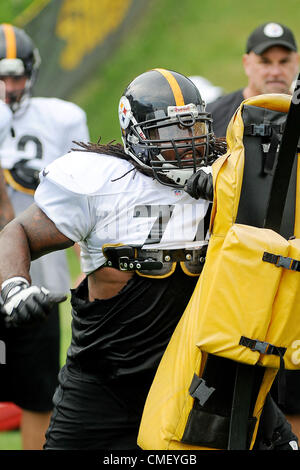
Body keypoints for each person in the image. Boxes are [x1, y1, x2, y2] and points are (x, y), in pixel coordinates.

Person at [0, 67, 297, 450]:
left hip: (201, 377)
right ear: (135, 132)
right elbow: (18, 232)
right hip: (108, 381)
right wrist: (13, 286)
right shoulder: (98, 182)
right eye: (170, 131)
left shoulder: (224, 180)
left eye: (192, 128)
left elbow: (285, 174)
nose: (187, 143)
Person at [0, 23, 89, 450]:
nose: (8, 86)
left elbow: (86, 196)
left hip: (39, 280)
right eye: (0, 75)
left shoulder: (62, 117)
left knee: (40, 397)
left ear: (32, 73)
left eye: (15, 75)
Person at [207, 22, 300, 137]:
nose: (276, 72)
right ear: (246, 64)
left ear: (297, 62)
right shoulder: (213, 117)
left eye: (284, 61)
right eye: (265, 62)